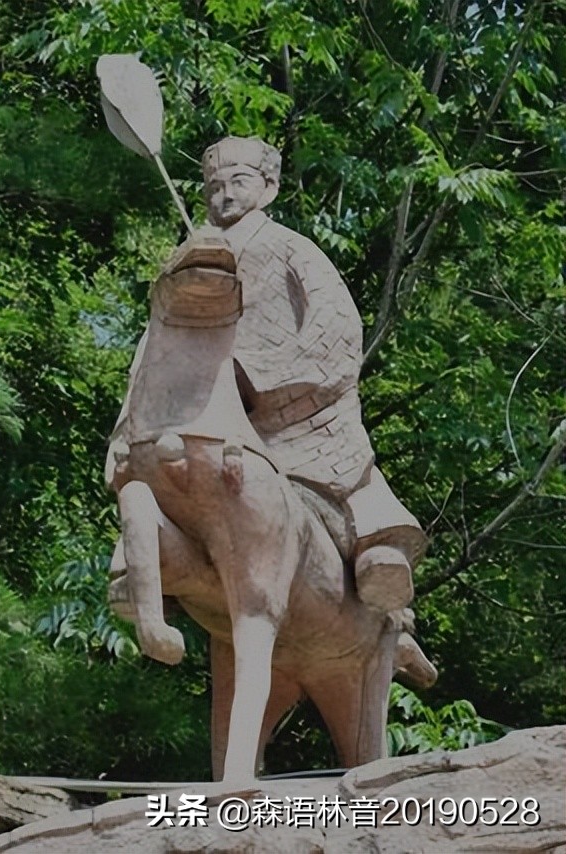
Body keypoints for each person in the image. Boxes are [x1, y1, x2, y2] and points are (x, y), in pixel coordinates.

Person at [108, 136, 425, 612]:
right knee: (159, 473)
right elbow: (155, 348)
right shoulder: (187, 263)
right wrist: (127, 422)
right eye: (214, 186)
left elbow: (336, 324)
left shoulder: (290, 249)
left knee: (344, 469)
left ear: (270, 188)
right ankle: (159, 567)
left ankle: (378, 550)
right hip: (201, 411)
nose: (225, 195)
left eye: (238, 182)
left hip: (290, 412)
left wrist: (260, 376)